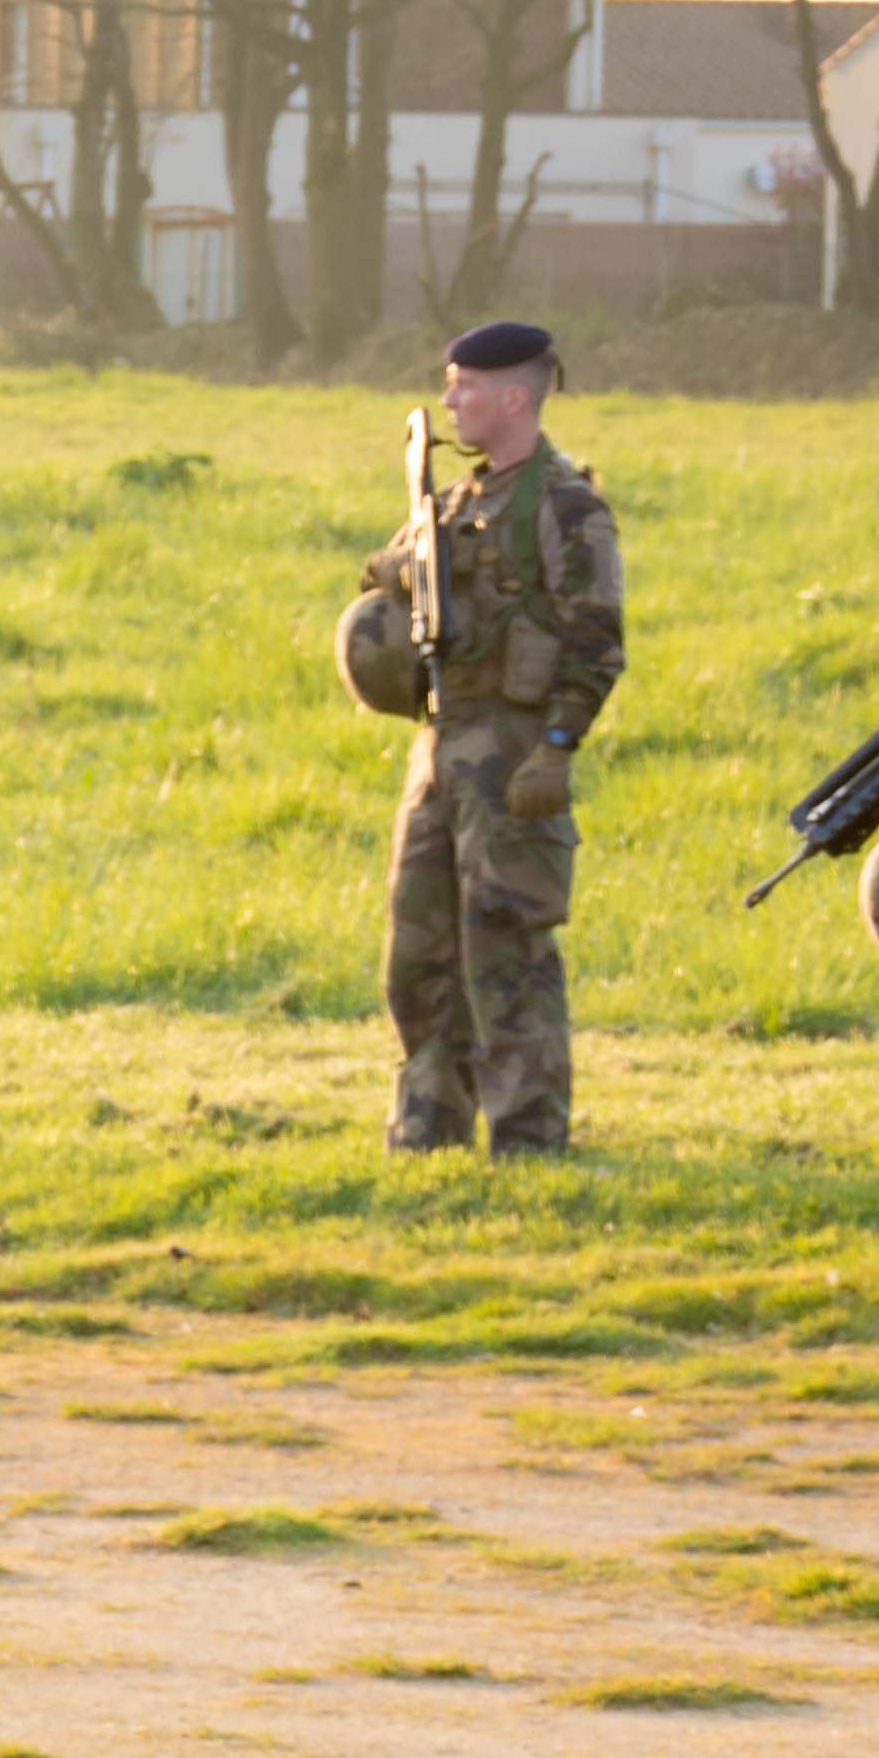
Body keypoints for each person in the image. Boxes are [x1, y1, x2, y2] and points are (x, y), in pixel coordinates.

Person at [360, 319, 626, 1157]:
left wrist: (557, 745)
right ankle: (426, 1128)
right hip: (440, 747)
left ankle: (528, 1138)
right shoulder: (455, 502)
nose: (449, 400)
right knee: (418, 953)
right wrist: (399, 569)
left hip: (513, 755)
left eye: (464, 386)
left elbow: (598, 640)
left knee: (506, 951)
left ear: (515, 396)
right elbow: (380, 575)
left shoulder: (564, 505)